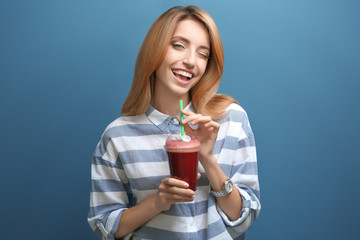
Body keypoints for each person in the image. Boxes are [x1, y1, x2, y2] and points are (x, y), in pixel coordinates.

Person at [88, 5, 261, 240]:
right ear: (155, 50)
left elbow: (244, 218)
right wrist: (158, 201)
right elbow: (105, 226)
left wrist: (208, 160)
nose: (191, 61)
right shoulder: (117, 136)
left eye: (203, 54)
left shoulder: (232, 119)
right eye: (178, 45)